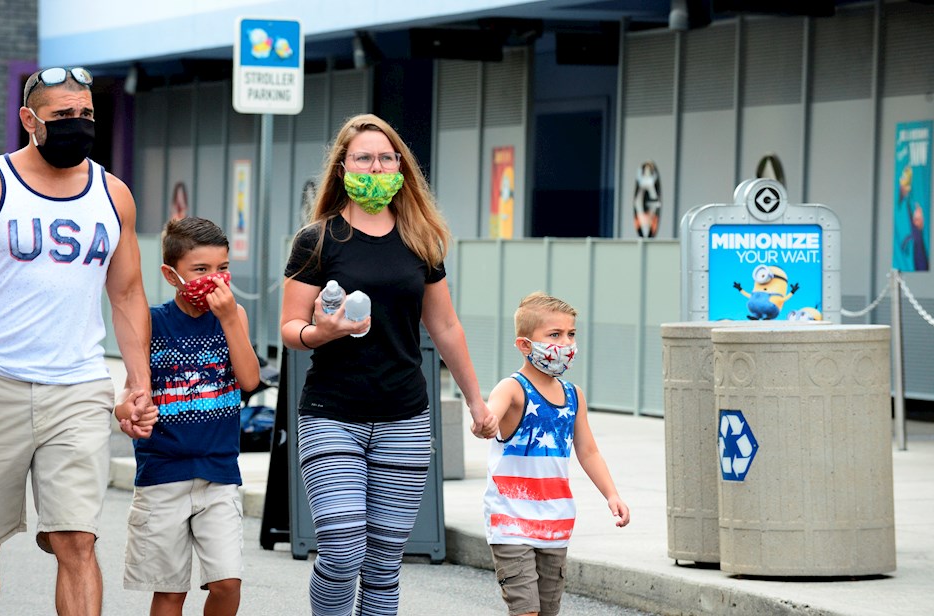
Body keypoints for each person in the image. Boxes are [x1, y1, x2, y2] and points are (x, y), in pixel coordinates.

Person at [0, 66, 154, 616]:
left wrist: (138, 383)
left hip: (78, 388)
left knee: (77, 540)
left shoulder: (114, 195)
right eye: (63, 117)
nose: (78, 126)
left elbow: (127, 294)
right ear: (29, 120)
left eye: (86, 115)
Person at [280, 113, 498, 615]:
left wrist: (475, 400)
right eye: (363, 158)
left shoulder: (421, 239)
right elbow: (291, 329)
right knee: (339, 547)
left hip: (404, 416)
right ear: (342, 168)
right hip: (332, 413)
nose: (375, 168)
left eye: (385, 157)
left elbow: (444, 327)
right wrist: (322, 332)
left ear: (400, 166)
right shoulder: (317, 240)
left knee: (382, 564)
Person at [121, 216, 261, 615]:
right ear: (171, 274)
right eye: (200, 270)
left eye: (222, 269)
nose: (213, 279)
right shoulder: (152, 322)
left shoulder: (233, 317)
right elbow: (130, 390)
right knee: (169, 591)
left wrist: (231, 318)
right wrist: (126, 410)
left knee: (227, 583)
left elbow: (250, 380)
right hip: (163, 473)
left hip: (219, 472)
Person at [483, 292, 630, 616]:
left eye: (571, 334)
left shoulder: (574, 395)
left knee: (549, 611)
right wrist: (484, 422)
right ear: (524, 345)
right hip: (511, 522)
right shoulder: (512, 388)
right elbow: (490, 415)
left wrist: (611, 494)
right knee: (526, 610)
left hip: (556, 522)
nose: (566, 343)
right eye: (554, 335)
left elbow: (588, 451)